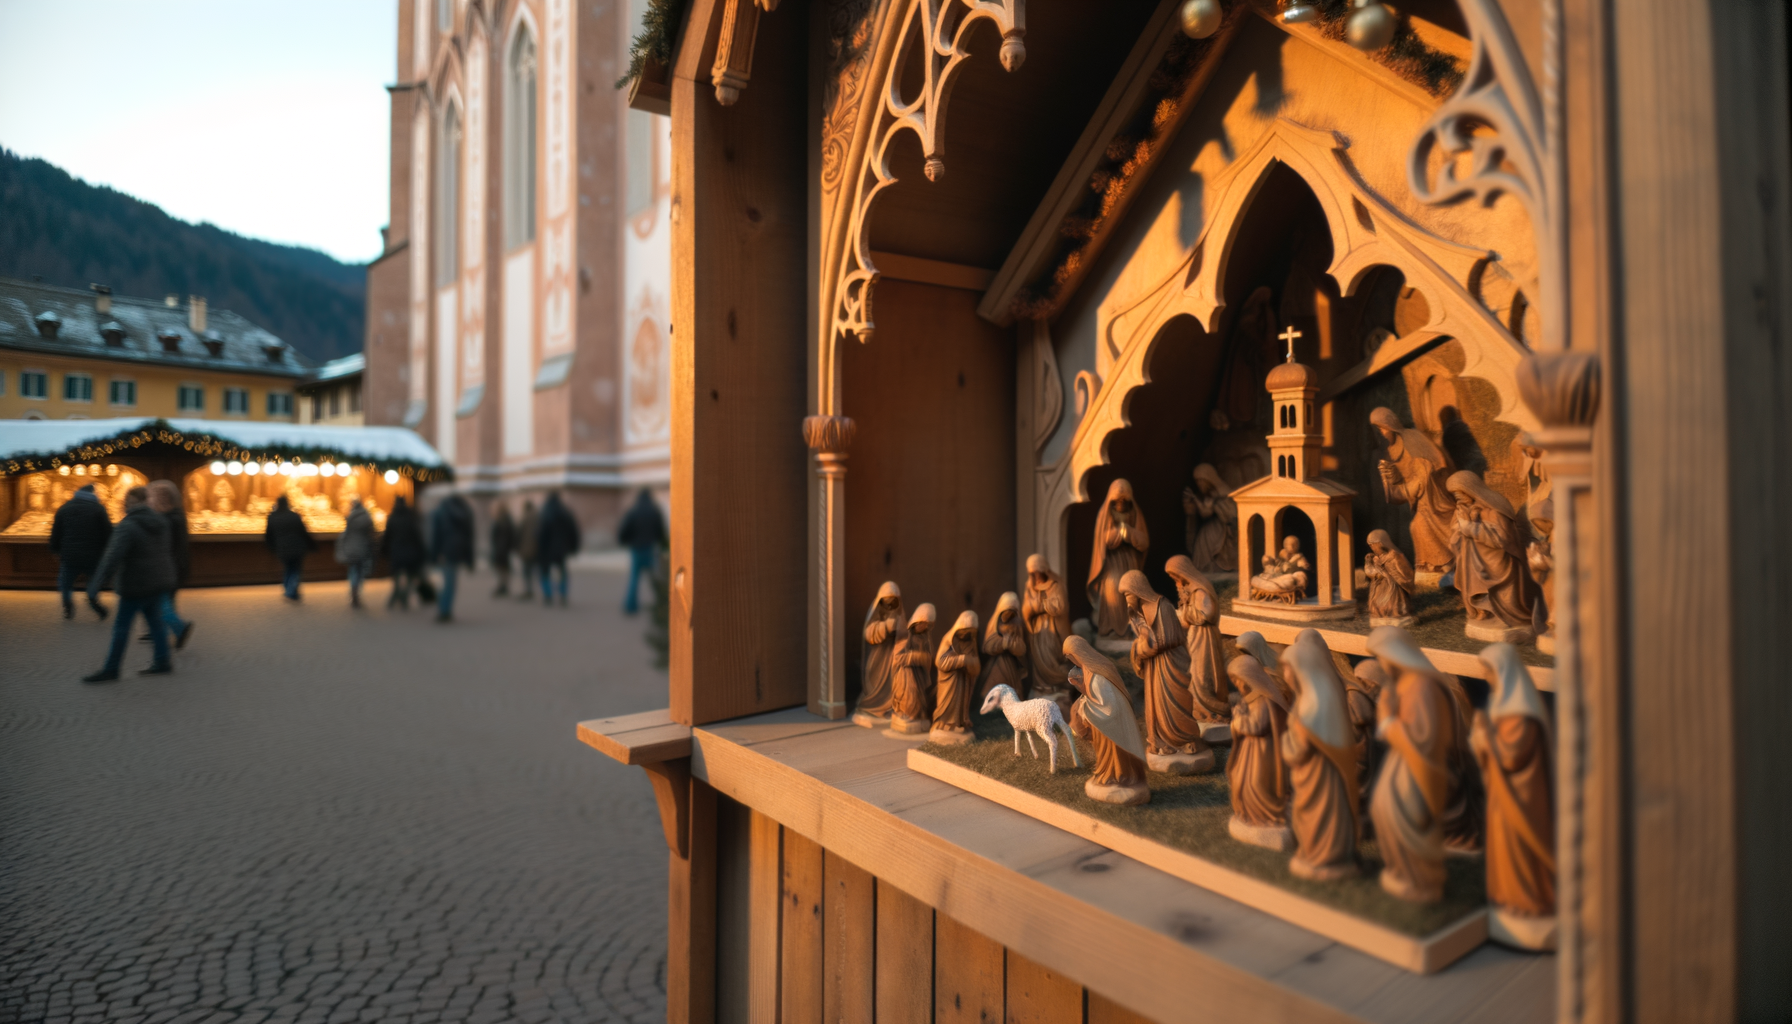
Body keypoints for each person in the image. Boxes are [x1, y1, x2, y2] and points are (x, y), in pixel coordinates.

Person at [82, 486, 176, 682]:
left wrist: (96, 584)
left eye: (125, 502)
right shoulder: (161, 522)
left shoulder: (127, 525)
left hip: (135, 584)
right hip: (158, 581)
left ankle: (111, 668)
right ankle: (163, 661)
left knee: (121, 628)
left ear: (130, 503)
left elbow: (112, 557)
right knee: (156, 624)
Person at [1086, 478, 1149, 642]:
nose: (1120, 504)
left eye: (1124, 500)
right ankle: (1112, 630)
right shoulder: (1104, 514)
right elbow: (1103, 540)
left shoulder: (1134, 513)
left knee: (1132, 591)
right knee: (1113, 591)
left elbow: (1143, 541)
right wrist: (1116, 535)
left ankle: (1130, 629)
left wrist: (1128, 533)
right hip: (1112, 563)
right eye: (1117, 501)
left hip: (1129, 561)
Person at [49, 482, 113, 620]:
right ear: (93, 494)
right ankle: (92, 598)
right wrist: (106, 551)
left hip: (69, 554)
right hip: (93, 555)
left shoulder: (64, 508)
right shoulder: (99, 509)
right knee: (93, 580)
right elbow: (107, 533)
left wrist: (55, 549)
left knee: (66, 582)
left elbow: (56, 532)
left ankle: (67, 605)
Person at [143, 480, 195, 649]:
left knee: (161, 601)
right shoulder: (175, 515)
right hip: (173, 566)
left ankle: (179, 628)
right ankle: (158, 629)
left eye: (151, 497)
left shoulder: (167, 519)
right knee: (165, 600)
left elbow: (162, 545)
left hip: (167, 566)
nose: (149, 501)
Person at [616, 488, 666, 614]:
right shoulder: (654, 511)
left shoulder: (634, 511)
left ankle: (630, 605)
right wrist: (663, 545)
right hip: (650, 548)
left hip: (636, 548)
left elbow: (625, 529)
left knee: (634, 578)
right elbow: (660, 530)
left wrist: (624, 541)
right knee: (655, 578)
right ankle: (661, 605)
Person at [430, 492, 476, 622]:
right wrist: (469, 560)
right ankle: (446, 609)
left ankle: (443, 610)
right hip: (458, 552)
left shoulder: (440, 512)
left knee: (443, 583)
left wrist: (433, 556)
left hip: (444, 553)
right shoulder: (465, 512)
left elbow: (436, 535)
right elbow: (470, 537)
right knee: (451, 582)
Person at [536, 491, 582, 606]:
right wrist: (574, 547)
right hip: (562, 548)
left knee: (545, 572)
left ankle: (548, 595)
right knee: (562, 572)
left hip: (546, 549)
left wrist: (539, 547)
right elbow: (574, 532)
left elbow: (541, 533)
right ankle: (563, 594)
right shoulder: (565, 512)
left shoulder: (545, 512)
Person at [264, 495, 314, 601]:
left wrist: (270, 547)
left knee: (287, 567)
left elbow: (269, 534)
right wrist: (312, 544)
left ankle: (288, 588)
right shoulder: (294, 516)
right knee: (295, 568)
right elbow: (304, 532)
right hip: (297, 546)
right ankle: (292, 589)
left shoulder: (272, 517)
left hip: (282, 547)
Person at [382, 496, 426, 610]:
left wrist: (384, 551)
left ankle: (394, 600)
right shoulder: (410, 518)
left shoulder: (392, 518)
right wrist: (422, 551)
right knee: (410, 578)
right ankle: (403, 598)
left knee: (396, 578)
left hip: (396, 551)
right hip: (410, 552)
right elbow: (417, 536)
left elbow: (386, 536)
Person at [336, 497, 377, 608]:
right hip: (362, 547)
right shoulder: (367, 517)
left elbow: (346, 532)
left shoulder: (350, 517)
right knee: (360, 570)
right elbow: (372, 532)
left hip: (351, 547)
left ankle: (353, 589)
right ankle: (357, 590)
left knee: (353, 569)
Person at [490, 503, 517, 597]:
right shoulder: (507, 519)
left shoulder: (500, 520)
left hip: (500, 548)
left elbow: (496, 535)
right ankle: (503, 586)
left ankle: (502, 586)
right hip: (504, 548)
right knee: (504, 568)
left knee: (501, 568)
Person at [517, 499, 540, 600]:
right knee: (537, 570)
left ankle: (528, 590)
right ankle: (541, 590)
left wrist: (517, 547)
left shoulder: (524, 518)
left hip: (526, 549)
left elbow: (519, 533)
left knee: (527, 571)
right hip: (537, 549)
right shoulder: (539, 517)